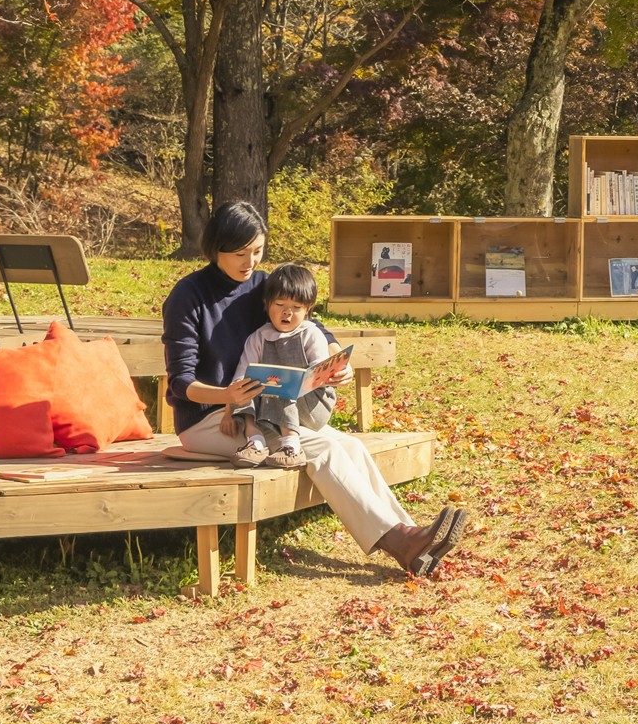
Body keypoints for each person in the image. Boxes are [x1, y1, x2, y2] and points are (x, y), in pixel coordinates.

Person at [161, 201, 468, 576]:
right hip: (210, 419)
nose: (251, 262)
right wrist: (226, 397)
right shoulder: (188, 296)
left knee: (349, 444)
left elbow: (313, 324)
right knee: (321, 447)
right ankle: (402, 542)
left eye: (258, 251)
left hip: (267, 411)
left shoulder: (262, 285)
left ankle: (413, 539)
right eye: (240, 253)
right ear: (215, 250)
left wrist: (335, 358)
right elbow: (181, 380)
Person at [227, 263, 335, 470]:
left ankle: (292, 447)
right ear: (267, 304)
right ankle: (255, 441)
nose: (287, 313)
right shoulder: (258, 337)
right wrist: (232, 403)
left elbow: (318, 374)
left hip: (310, 405)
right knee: (243, 387)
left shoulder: (311, 334)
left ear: (308, 308)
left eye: (296, 308)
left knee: (279, 384)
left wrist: (288, 382)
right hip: (269, 407)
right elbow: (242, 373)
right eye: (280, 305)